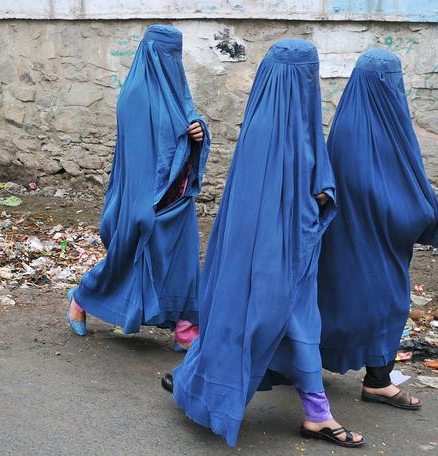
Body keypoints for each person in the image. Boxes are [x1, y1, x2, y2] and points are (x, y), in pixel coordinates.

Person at [163, 39, 364, 448]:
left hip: (284, 250)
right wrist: (321, 199)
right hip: (277, 253)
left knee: (285, 322)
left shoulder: (272, 120)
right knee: (273, 321)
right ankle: (311, 411)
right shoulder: (276, 128)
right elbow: (293, 198)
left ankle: (314, 411)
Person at [66, 24, 210, 351]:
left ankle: (186, 326)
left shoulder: (175, 90)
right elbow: (139, 158)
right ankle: (82, 298)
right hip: (145, 196)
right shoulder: (134, 97)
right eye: (167, 55)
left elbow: (188, 125)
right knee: (125, 260)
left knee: (184, 261)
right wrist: (142, 202)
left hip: (178, 195)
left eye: (177, 55)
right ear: (152, 54)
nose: (173, 61)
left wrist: (198, 132)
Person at [317, 48, 438, 409]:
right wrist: (424, 211)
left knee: (337, 300)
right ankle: (377, 381)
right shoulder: (378, 125)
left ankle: (369, 378)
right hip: (373, 236)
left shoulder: (348, 121)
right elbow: (392, 191)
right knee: (385, 302)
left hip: (351, 238)